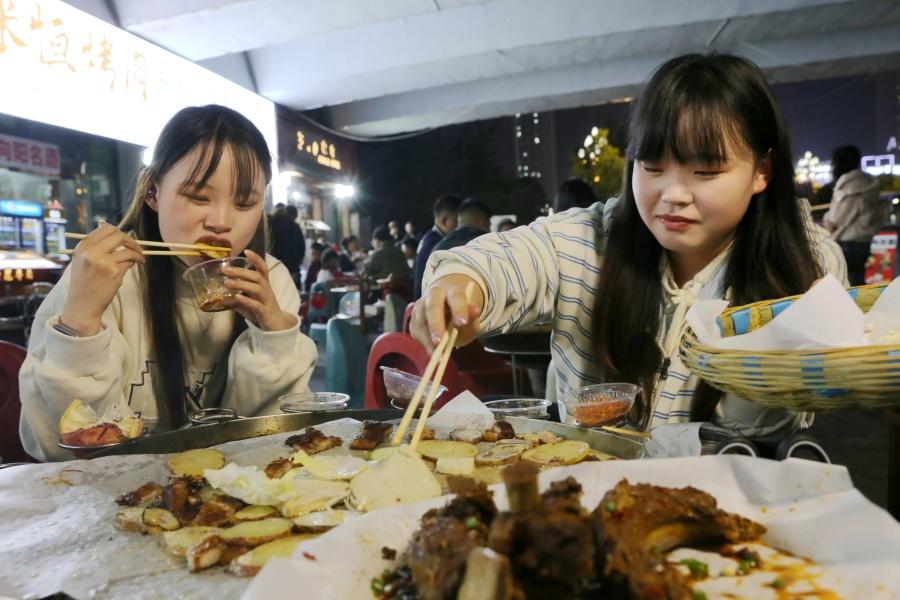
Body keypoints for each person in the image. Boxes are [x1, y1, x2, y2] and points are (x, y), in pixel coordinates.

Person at [411, 54, 847, 442]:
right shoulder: (593, 239)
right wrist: (462, 283)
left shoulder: (806, 267)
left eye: (707, 171)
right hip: (592, 504)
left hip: (736, 507)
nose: (673, 193)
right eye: (652, 165)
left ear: (761, 171)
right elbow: (514, 257)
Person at [19, 105, 317, 461]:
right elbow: (55, 448)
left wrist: (275, 338)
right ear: (152, 192)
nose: (221, 222)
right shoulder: (104, 275)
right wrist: (80, 323)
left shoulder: (270, 281)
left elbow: (274, 441)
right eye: (198, 196)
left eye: (245, 202)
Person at [823, 145, 882, 286]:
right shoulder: (867, 183)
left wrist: (827, 219)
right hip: (863, 240)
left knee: (850, 284)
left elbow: (835, 219)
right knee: (857, 280)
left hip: (848, 243)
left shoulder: (848, 187)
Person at [413, 194, 462, 299]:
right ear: (444, 221)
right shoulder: (437, 244)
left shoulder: (429, 237)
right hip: (427, 304)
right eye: (458, 221)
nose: (461, 227)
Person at [269, 203, 305, 285]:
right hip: (291, 270)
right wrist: (295, 268)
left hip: (271, 268)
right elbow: (301, 249)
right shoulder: (294, 226)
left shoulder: (268, 223)